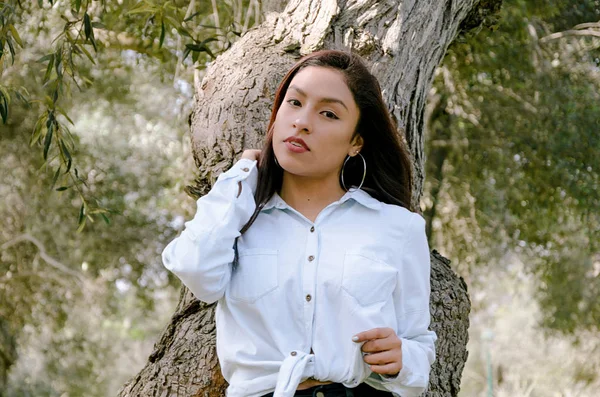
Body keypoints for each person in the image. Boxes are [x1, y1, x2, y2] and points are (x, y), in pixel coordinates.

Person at [162, 50, 437, 397]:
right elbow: (194, 270)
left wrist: (401, 357)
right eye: (294, 103)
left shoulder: (398, 227)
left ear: (356, 142)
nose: (302, 121)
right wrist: (243, 175)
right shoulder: (239, 220)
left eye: (328, 113)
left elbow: (420, 350)